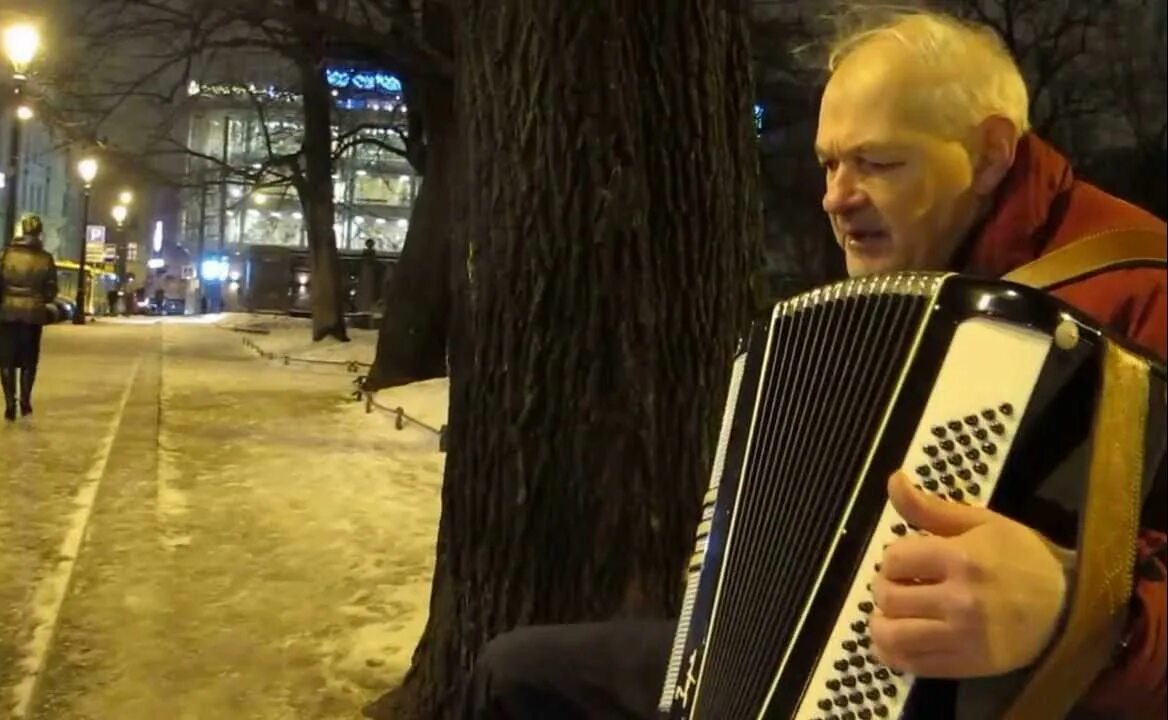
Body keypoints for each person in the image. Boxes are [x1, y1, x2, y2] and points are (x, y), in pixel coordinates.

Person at [467, 10, 1167, 720]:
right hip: (825, 673)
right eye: (830, 163)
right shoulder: (899, 295)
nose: (836, 197)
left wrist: (1079, 617)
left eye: (877, 163)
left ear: (989, 155)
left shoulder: (1144, 288)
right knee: (518, 675)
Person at [0, 215, 58, 421]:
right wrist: (38, 298)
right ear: (39, 232)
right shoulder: (45, 258)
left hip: (7, 312)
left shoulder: (5, 254)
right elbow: (51, 290)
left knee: (7, 361)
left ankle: (9, 405)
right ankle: (25, 402)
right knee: (29, 361)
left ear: (22, 230)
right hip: (32, 315)